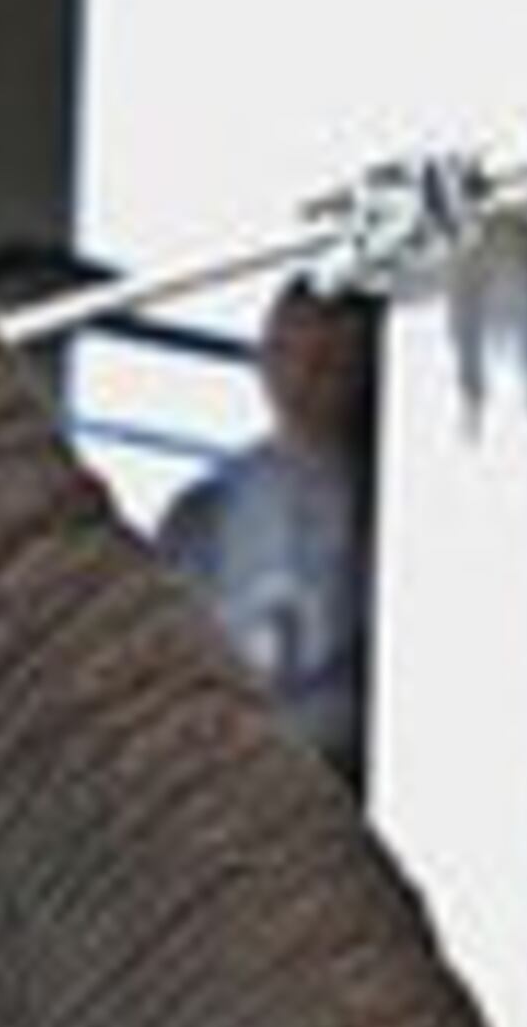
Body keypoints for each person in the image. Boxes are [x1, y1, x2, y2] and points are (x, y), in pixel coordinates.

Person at [152, 281, 378, 780]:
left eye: (332, 356)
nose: (307, 373)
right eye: (291, 349)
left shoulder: (396, 501)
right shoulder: (200, 511)